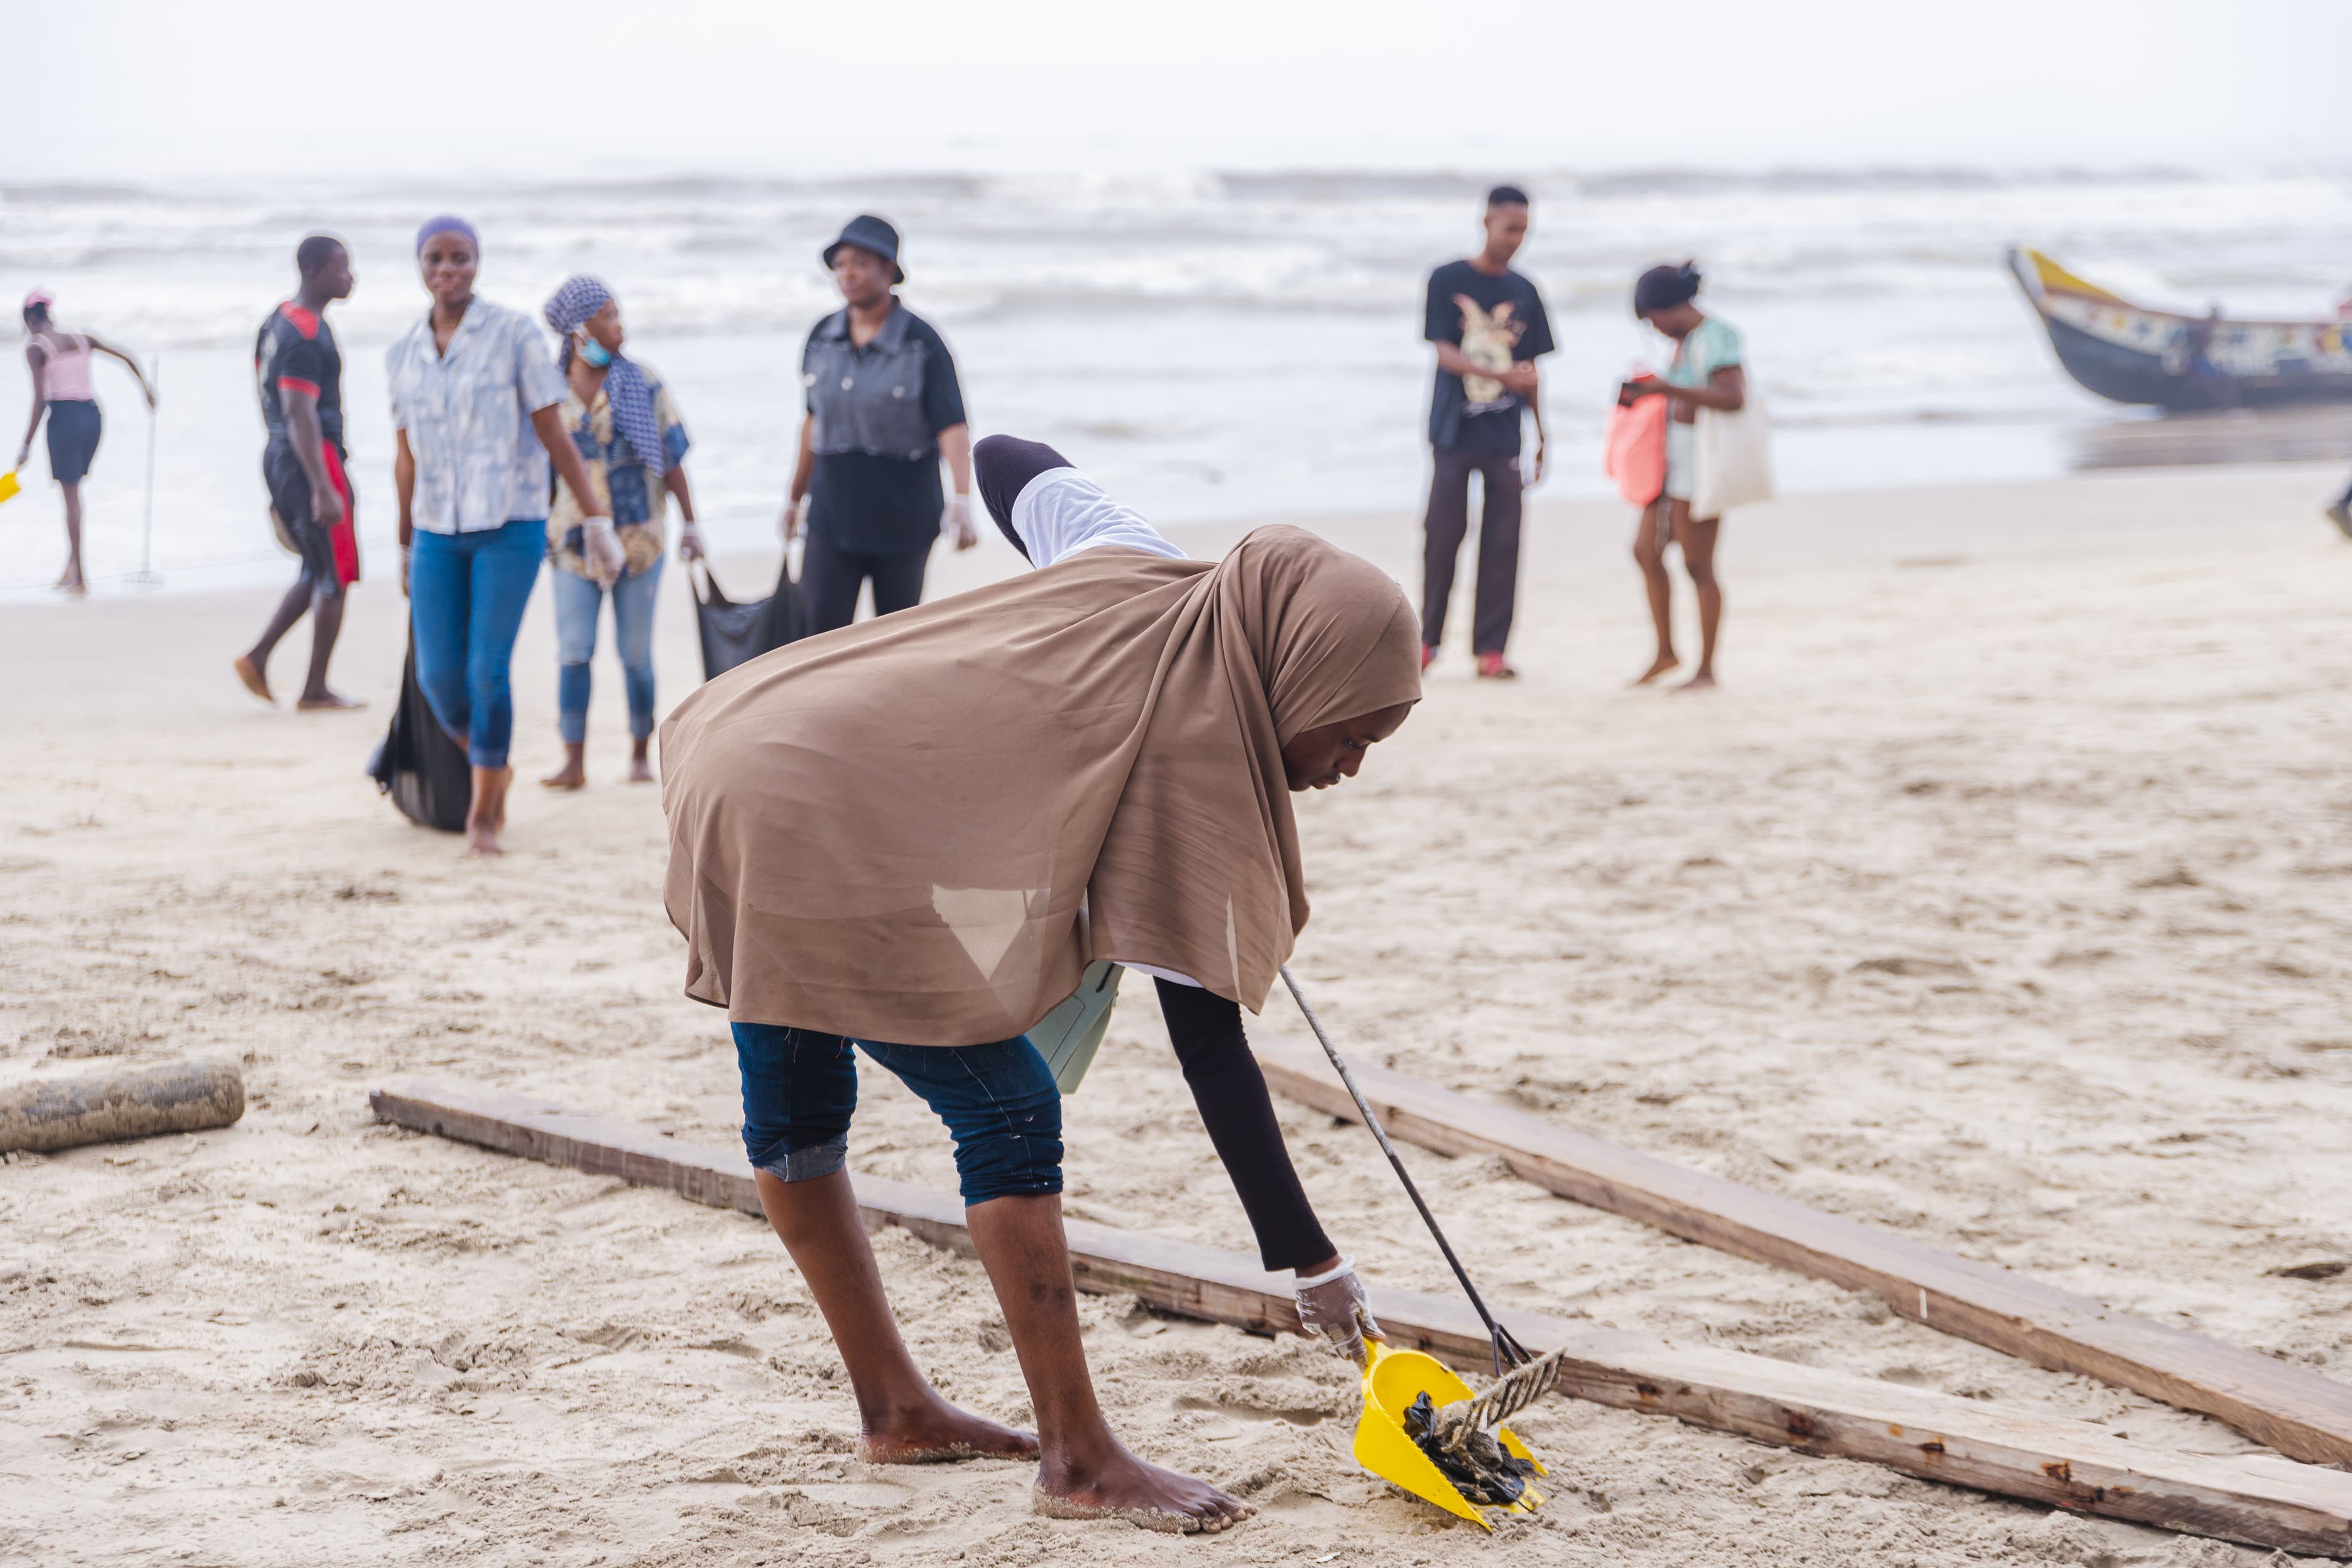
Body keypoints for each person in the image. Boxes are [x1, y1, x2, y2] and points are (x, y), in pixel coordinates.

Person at [662, 437, 1420, 1534]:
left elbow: (1009, 460)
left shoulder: (1149, 564)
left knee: (797, 1093)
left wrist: (1087, 600)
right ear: (1298, 671)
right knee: (1011, 1110)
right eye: (1348, 735)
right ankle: (1079, 1459)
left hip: (744, 746)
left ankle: (895, 1410)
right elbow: (1210, 1047)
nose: (1348, 769)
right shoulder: (1195, 750)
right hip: (818, 814)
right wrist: (1316, 1266)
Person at [387, 216, 611, 855]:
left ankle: (483, 815)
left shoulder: (514, 334)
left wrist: (596, 520)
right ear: (420, 265)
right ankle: (493, 763)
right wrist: (403, 542)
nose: (447, 270)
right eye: (435, 258)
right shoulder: (402, 353)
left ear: (477, 263)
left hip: (510, 524)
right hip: (436, 528)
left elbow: (553, 432)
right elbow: (405, 457)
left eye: (460, 257)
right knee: (439, 678)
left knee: (487, 671)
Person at [538, 277, 703, 790]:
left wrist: (692, 524)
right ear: (578, 330)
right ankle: (573, 761)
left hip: (638, 540)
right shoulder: (547, 391)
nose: (619, 326)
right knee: (574, 650)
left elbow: (671, 459)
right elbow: (535, 472)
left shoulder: (643, 383)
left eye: (618, 314)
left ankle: (639, 753)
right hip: (572, 543)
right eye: (608, 317)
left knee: (635, 654)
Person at [780, 214, 976, 634]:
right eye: (840, 265)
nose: (847, 274)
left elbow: (952, 427)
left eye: (860, 263)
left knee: (893, 640)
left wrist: (962, 499)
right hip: (831, 516)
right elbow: (812, 423)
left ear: (889, 270)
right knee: (820, 638)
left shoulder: (923, 344)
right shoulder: (821, 338)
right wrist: (794, 500)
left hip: (905, 520)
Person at [1419, 185, 1553, 680]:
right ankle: (1427, 642)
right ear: (1486, 222)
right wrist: (1499, 375)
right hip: (1453, 433)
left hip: (1504, 438)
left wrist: (1542, 434)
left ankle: (1491, 651)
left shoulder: (1526, 291)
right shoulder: (1447, 278)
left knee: (1503, 543)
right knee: (1442, 537)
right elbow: (1445, 353)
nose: (1516, 239)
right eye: (1510, 228)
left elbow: (1531, 371)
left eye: (1524, 230)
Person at [236, 235, 363, 709]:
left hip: (281, 454)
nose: (350, 276)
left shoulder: (278, 319)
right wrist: (322, 487)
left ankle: (258, 657)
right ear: (314, 272)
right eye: (342, 267)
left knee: (317, 565)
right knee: (336, 574)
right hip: (311, 458)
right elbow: (298, 411)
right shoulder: (306, 334)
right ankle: (314, 689)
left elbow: (267, 395)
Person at [1624, 262, 1747, 691]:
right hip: (1669, 467)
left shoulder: (1717, 336)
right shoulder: (1686, 343)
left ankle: (1707, 669)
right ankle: (1666, 651)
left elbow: (1733, 397)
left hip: (1701, 470)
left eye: (1653, 320)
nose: (1655, 330)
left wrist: (1666, 389)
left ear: (1669, 308)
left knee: (1699, 566)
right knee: (1645, 551)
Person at [15, 289, 156, 596]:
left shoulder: (36, 348)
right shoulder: (82, 338)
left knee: (71, 496)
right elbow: (126, 357)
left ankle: (80, 576)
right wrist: (146, 390)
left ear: (29, 320)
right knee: (75, 491)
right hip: (92, 416)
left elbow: (39, 402)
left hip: (65, 418)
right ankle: (71, 569)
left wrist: (25, 446)